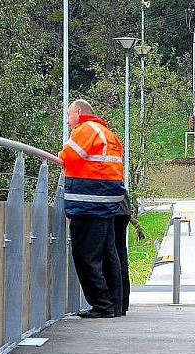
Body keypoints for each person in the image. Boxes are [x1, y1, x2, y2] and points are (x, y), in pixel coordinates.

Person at [59, 99, 126, 319]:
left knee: (85, 255)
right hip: (107, 202)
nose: (68, 122)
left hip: (89, 202)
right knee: (108, 254)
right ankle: (114, 306)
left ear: (78, 112)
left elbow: (66, 156)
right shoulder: (107, 133)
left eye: (69, 116)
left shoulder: (85, 130)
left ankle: (102, 305)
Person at [113, 197, 132, 316]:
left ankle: (115, 304)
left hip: (113, 209)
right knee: (120, 253)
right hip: (123, 209)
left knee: (112, 256)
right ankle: (123, 304)